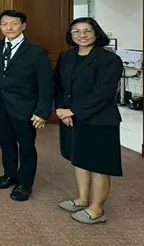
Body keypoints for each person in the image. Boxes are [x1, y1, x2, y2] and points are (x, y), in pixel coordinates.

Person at [54, 17, 123, 224]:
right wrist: (61, 110)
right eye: (76, 31)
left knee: (99, 164)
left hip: (99, 119)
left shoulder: (109, 59)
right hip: (72, 117)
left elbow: (103, 92)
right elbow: (58, 85)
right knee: (80, 159)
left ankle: (97, 209)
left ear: (96, 33)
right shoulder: (66, 56)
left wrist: (73, 111)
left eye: (87, 31)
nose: (82, 35)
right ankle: (82, 199)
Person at [0, 10, 53, 202]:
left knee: (26, 145)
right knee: (6, 142)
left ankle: (25, 183)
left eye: (14, 23)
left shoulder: (36, 50)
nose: (9, 28)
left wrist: (42, 111)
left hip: (25, 107)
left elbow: (46, 83)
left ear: (23, 26)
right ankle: (10, 174)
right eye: (4, 24)